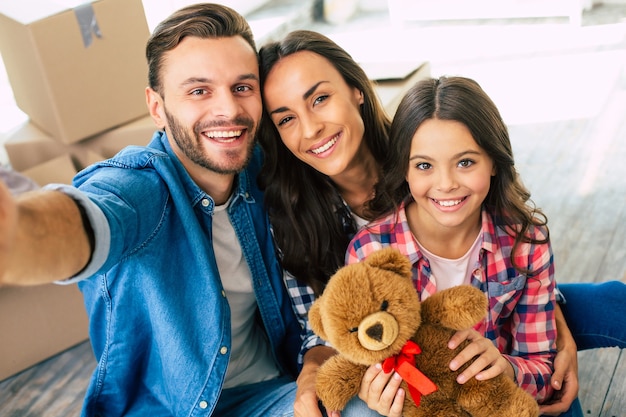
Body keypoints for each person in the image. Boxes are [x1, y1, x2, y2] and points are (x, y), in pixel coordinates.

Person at [258, 30, 626, 417]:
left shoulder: (423, 142)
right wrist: (315, 377)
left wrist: (554, 338)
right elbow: (321, 331)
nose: (311, 127)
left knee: (590, 334)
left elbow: (520, 267)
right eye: (286, 118)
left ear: (356, 90)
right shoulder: (302, 219)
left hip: (495, 308)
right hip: (405, 356)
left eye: (320, 99)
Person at [1, 4, 304, 416]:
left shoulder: (263, 168)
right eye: (199, 91)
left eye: (242, 87)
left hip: (273, 391)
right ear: (157, 107)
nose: (228, 110)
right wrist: (16, 233)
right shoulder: (139, 188)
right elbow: (83, 221)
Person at [345, 75, 578, 415]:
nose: (446, 184)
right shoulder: (369, 252)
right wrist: (377, 394)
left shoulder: (526, 243)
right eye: (424, 165)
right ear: (405, 172)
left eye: (465, 162)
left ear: (495, 162)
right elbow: (361, 361)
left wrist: (507, 367)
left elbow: (543, 368)